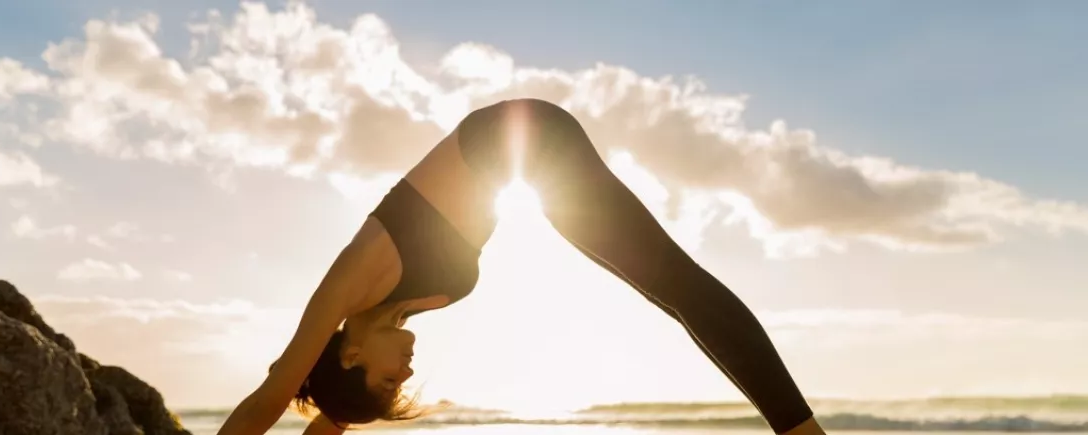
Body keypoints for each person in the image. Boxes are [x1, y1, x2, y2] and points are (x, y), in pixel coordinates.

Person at [217, 98, 824, 435]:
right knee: (670, 289)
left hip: (521, 140)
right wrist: (345, 413)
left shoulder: (351, 282)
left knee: (673, 283)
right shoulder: (389, 310)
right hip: (529, 160)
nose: (404, 375)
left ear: (349, 356)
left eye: (387, 382)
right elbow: (335, 420)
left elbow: (271, 395)